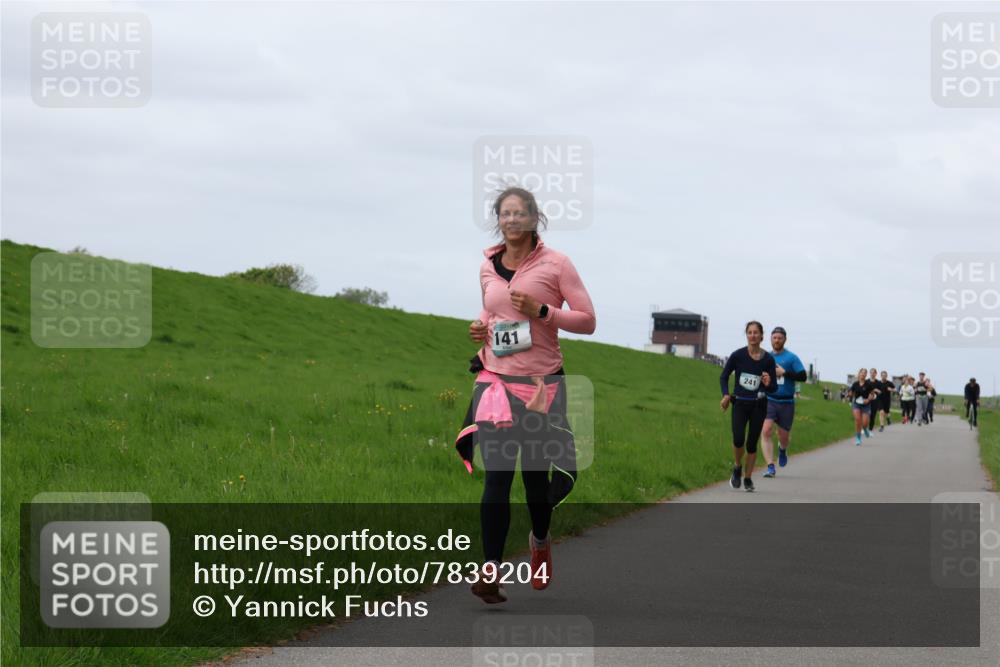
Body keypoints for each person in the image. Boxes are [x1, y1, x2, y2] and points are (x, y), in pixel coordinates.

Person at [459, 186, 596, 605]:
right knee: (496, 480)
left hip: (540, 386)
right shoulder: (487, 265)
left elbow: (588, 320)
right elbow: (492, 310)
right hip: (495, 382)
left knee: (535, 485)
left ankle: (539, 541)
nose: (512, 220)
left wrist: (543, 312)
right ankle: (492, 569)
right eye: (505, 213)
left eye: (520, 213)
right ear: (497, 219)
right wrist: (481, 327)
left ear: (535, 218)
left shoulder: (557, 265)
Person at [719, 321, 777, 493]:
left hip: (759, 406)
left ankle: (748, 478)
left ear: (761, 336)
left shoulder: (768, 359)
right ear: (746, 335)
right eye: (749, 332)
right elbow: (724, 377)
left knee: (751, 444)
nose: (752, 335)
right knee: (738, 439)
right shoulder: (737, 356)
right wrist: (726, 394)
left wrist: (768, 383)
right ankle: (737, 466)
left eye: (755, 332)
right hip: (740, 403)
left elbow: (774, 388)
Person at [760, 326, 807, 478]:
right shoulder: (765, 357)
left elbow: (803, 376)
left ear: (784, 340)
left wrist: (784, 373)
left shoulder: (792, 358)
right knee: (766, 430)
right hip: (770, 400)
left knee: (783, 436)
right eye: (774, 338)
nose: (777, 340)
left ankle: (782, 449)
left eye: (780, 338)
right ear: (771, 339)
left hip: (787, 402)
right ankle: (770, 467)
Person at [848, 368, 876, 445]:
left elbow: (872, 394)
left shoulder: (868, 384)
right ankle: (858, 438)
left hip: (866, 405)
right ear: (859, 374)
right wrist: (850, 394)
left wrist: (868, 399)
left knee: (864, 423)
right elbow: (851, 392)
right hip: (856, 403)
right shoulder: (855, 384)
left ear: (866, 375)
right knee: (857, 420)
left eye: (864, 373)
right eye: (861, 372)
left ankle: (865, 429)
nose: (863, 374)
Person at [867, 367, 883, 434]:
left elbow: (881, 392)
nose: (872, 374)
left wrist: (878, 390)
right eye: (871, 372)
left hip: (875, 401)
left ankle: (870, 430)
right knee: (866, 414)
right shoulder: (866, 382)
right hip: (867, 400)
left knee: (872, 416)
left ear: (876, 374)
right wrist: (873, 390)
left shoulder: (878, 382)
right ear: (869, 373)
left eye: (874, 373)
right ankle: (864, 428)